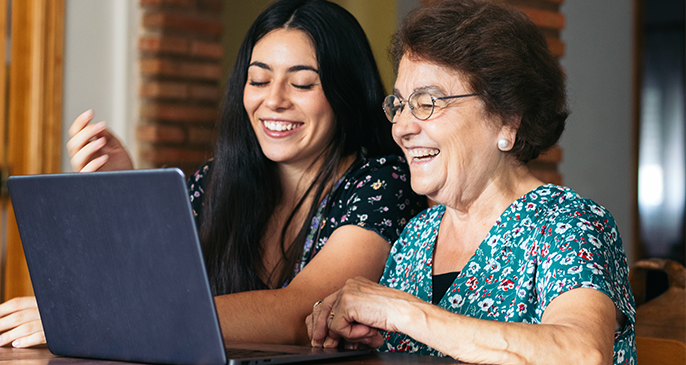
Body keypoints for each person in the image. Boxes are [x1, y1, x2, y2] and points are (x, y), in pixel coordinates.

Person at [0, 0, 426, 348]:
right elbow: (152, 285)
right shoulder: (217, 180)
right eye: (258, 80)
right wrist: (124, 193)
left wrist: (93, 319)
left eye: (302, 84)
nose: (273, 100)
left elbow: (303, 312)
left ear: (345, 93)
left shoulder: (381, 182)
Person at [307, 0, 637, 364]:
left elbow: (582, 354)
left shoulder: (567, 224)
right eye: (399, 105)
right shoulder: (416, 237)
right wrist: (353, 339)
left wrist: (404, 312)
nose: (401, 128)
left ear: (507, 120)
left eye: (427, 102)